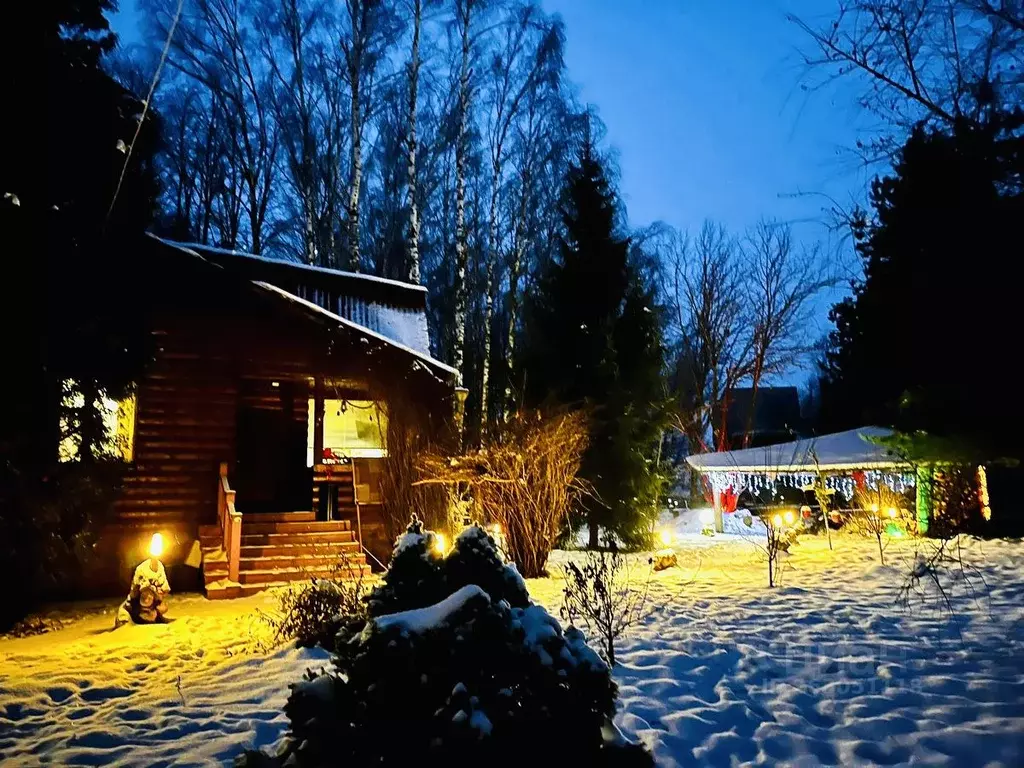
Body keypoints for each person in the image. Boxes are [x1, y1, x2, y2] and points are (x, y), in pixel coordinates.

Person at [115, 555, 171, 626]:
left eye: (150, 596)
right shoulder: (126, 613)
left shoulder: (157, 608)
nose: (147, 599)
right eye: (144, 596)